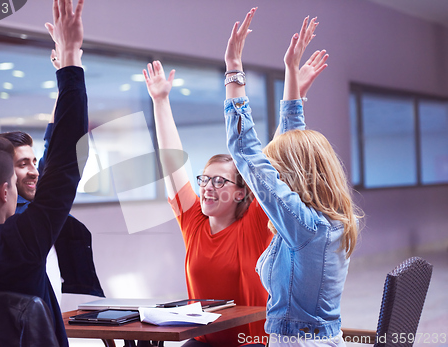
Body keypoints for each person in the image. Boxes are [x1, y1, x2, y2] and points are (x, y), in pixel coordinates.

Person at [142, 24, 328, 346]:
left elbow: (278, 158)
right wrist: (160, 101)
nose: (207, 187)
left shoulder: (256, 222)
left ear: (242, 192)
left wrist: (295, 90)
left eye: (219, 181)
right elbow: (171, 161)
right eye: (204, 179)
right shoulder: (193, 222)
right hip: (202, 342)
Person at [0, 0, 87, 345]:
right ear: (4, 192)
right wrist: (71, 57)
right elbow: (66, 156)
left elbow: (62, 157)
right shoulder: (24, 243)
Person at [223, 8, 363, 347]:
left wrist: (233, 69)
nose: (276, 177)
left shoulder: (305, 226)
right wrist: (292, 85)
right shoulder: (329, 222)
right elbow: (295, 146)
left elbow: (246, 151)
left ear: (293, 176)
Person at [0, 52, 104, 305]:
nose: (35, 170)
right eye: (21, 165)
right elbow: (63, 156)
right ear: (3, 188)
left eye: (35, 162)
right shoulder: (24, 237)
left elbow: (55, 148)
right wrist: (70, 68)